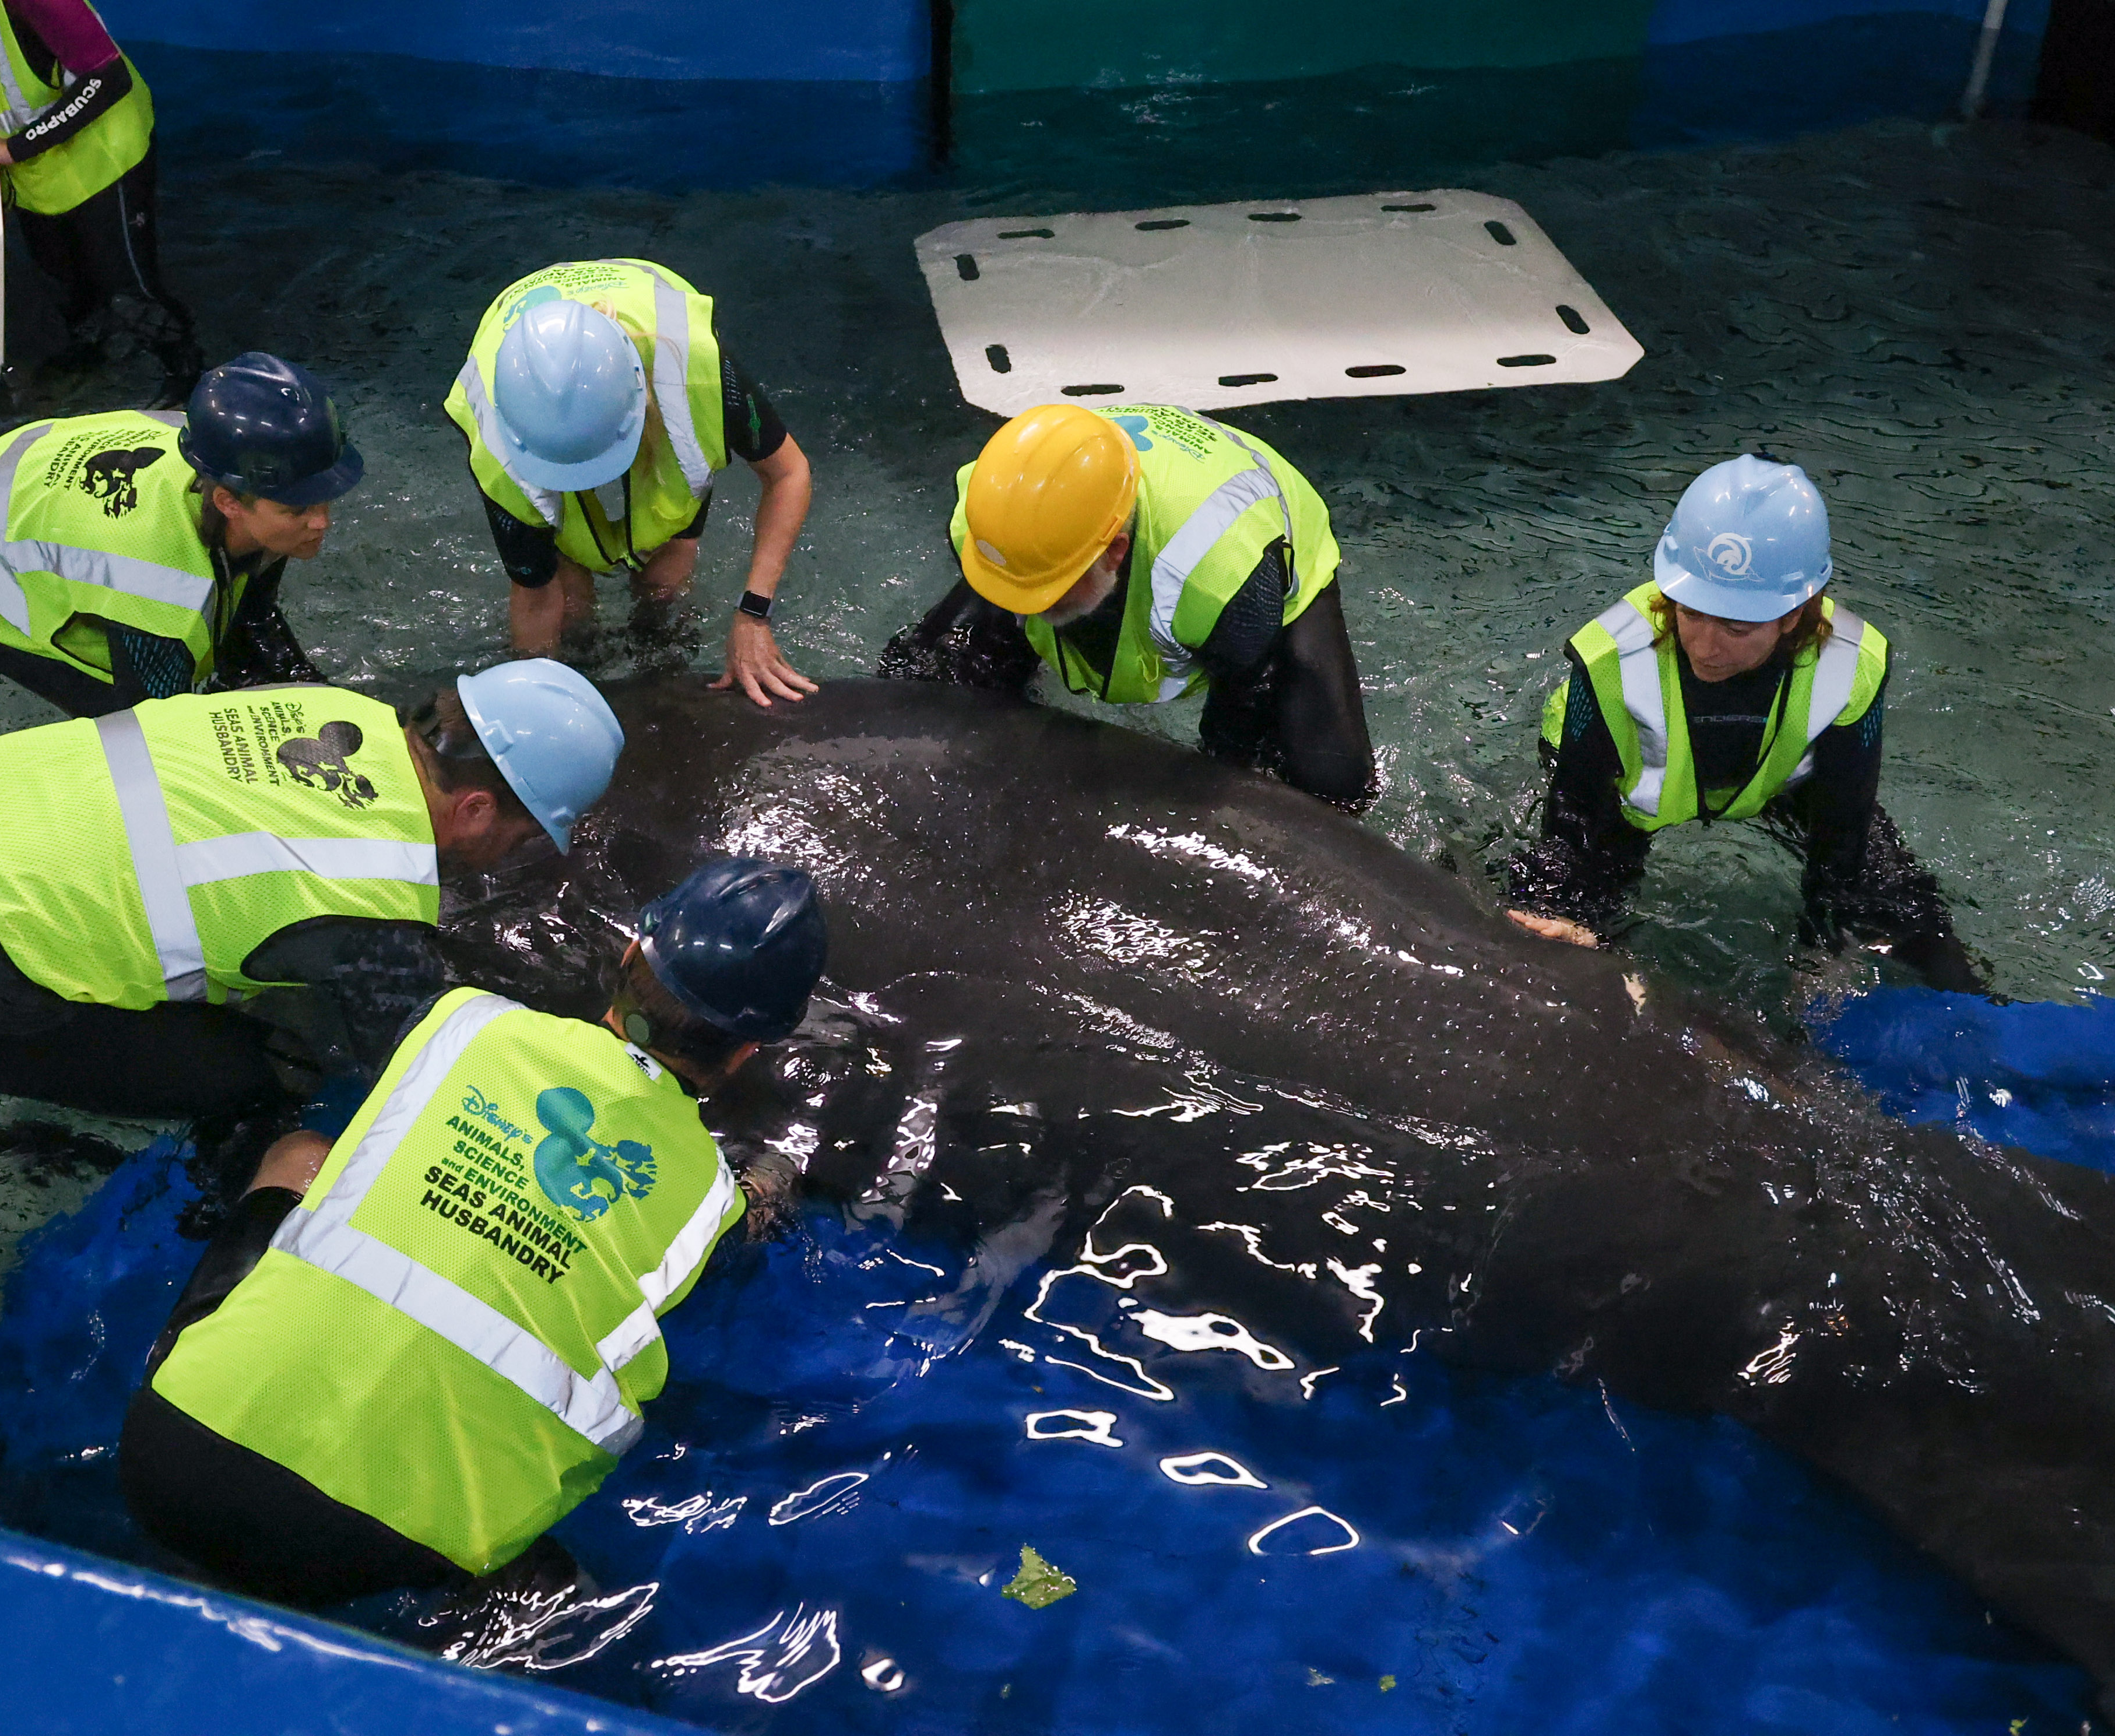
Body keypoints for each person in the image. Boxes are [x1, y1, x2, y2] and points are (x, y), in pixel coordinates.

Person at [117, 858, 827, 1608]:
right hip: (387, 1545)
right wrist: (770, 1186)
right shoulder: (710, 1198)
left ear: (627, 954)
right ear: (750, 1050)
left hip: (171, 1457)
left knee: (301, 1157)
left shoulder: (464, 1021)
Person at [0, 660, 623, 1120]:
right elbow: (419, 1083)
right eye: (519, 839)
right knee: (269, 1076)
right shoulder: (377, 908)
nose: (504, 862)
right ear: (477, 805)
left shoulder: (338, 707)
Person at [1505, 454, 1983, 992]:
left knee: (1897, 906)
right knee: (1555, 923)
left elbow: (1841, 834)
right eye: (1689, 612)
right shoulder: (1611, 660)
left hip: (1786, 782)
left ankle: (1988, 1025)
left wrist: (1822, 956)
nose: (1705, 649)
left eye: (1735, 627)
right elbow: (1573, 821)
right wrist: (1565, 912)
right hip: (1623, 786)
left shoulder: (1850, 668)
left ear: (1793, 614)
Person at [878, 403, 1377, 807]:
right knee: (924, 680)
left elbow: (1237, 712)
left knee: (1327, 792)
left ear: (1114, 551)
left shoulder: (1225, 584)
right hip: (1060, 521)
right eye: (1014, 590)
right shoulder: (987, 508)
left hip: (1261, 548)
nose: (1023, 610)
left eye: (1045, 592)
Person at [443, 259, 816, 701]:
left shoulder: (696, 372)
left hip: (654, 374)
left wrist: (753, 614)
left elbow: (789, 473)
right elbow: (534, 596)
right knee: (570, 607)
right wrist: (536, 693)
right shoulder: (494, 437)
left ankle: (664, 665)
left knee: (664, 588)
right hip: (532, 397)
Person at [0, 353, 360, 718]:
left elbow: (252, 618)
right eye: (298, 508)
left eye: (325, 498)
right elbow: (159, 743)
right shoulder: (159, 590)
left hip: (24, 480)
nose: (321, 522)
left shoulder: (239, 461)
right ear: (227, 502)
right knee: (122, 722)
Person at [0, 0, 201, 399]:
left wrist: (15, 149)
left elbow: (109, 77)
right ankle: (91, 361)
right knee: (68, 290)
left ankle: (188, 379)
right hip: (38, 171)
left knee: (130, 298)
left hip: (104, 156)